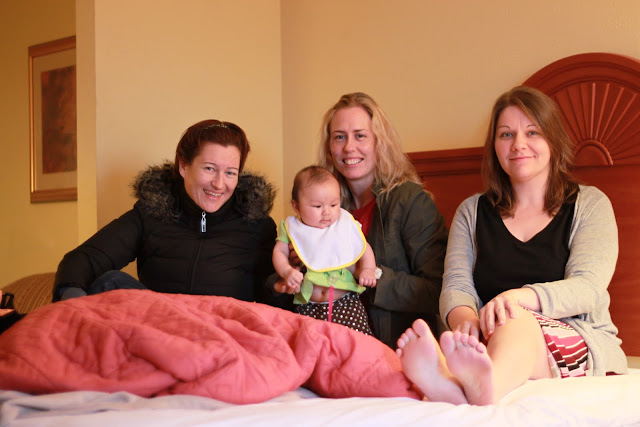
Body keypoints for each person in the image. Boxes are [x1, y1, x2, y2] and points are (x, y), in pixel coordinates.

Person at [396, 86, 627, 406]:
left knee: (515, 318)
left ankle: (475, 387)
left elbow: (587, 288)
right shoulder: (472, 211)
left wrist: (516, 299)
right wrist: (468, 326)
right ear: (495, 147)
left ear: (553, 140)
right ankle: (465, 385)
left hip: (575, 338)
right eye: (506, 134)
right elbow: (456, 286)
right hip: (492, 336)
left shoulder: (590, 205)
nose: (518, 144)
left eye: (532, 132)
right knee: (499, 327)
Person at [273, 92, 448, 348]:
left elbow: (437, 291)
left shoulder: (410, 202)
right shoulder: (318, 204)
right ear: (329, 147)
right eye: (339, 137)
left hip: (394, 346)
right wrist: (294, 271)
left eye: (360, 135)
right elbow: (277, 282)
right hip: (323, 340)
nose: (349, 147)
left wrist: (362, 271)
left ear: (379, 142)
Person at [53, 119, 278, 304]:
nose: (219, 184)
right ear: (183, 166)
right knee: (111, 281)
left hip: (223, 333)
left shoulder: (258, 226)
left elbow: (273, 302)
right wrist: (71, 299)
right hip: (158, 329)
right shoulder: (150, 214)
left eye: (230, 173)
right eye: (209, 168)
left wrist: (285, 282)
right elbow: (83, 259)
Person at [272, 165, 377, 335]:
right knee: (308, 343)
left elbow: (363, 248)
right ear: (296, 207)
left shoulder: (344, 225)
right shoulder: (292, 228)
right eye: (317, 206)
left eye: (334, 204)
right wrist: (287, 271)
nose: (327, 212)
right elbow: (279, 252)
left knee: (356, 340)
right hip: (308, 304)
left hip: (345, 302)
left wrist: (368, 269)